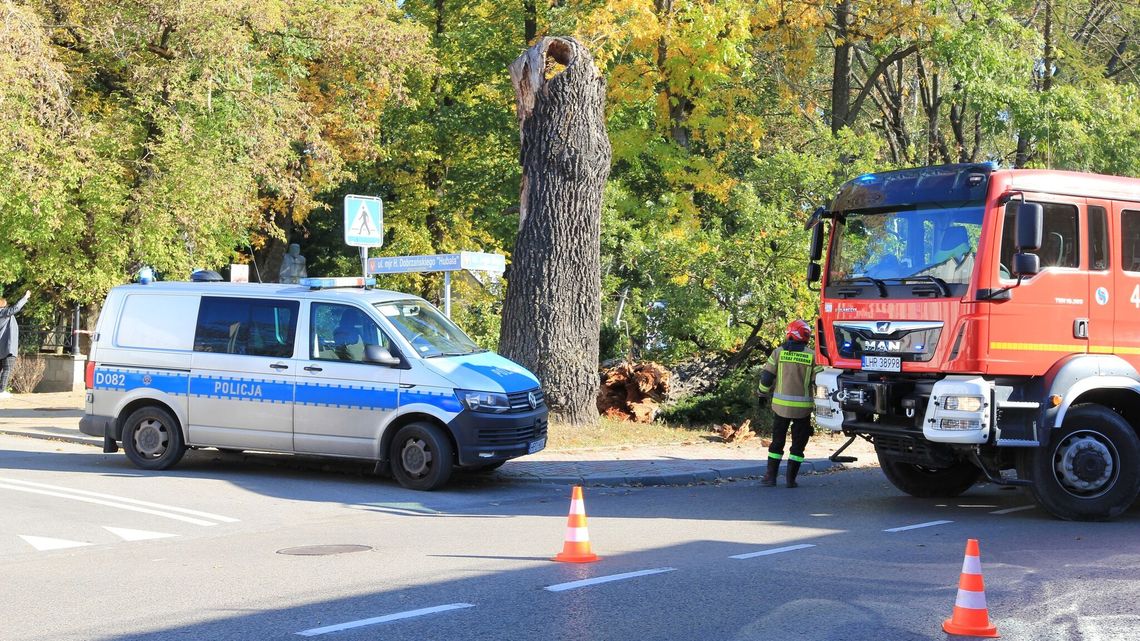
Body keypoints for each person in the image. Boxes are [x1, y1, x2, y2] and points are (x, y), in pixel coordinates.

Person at [757, 319, 821, 488]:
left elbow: (767, 377)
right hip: (803, 410)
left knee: (777, 442)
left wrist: (762, 394)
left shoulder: (778, 353)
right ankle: (791, 480)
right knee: (798, 446)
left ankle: (770, 477)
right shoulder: (813, 356)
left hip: (780, 408)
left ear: (789, 333)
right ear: (806, 336)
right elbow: (819, 382)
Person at [0, 291, 32, 398]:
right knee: (7, 369)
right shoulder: (4, 313)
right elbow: (16, 308)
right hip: (7, 347)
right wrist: (25, 297)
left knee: (2, 369)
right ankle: (1, 390)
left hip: (2, 347)